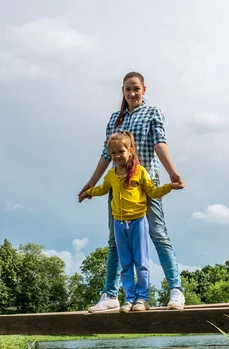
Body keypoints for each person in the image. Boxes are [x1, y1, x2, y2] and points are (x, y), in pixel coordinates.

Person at [78, 71, 186, 313]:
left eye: (136, 88)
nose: (132, 93)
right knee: (115, 242)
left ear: (144, 90)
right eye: (127, 89)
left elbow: (159, 143)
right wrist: (90, 183)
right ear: (123, 92)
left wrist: (173, 173)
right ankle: (110, 295)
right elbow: (107, 155)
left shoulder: (152, 113)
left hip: (145, 183)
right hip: (118, 187)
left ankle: (175, 290)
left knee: (158, 235)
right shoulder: (115, 119)